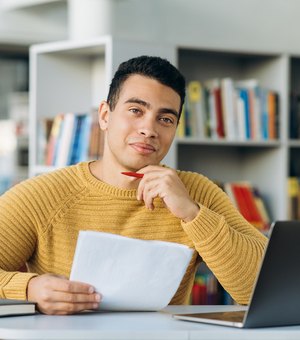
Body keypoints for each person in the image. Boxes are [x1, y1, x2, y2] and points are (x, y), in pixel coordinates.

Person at [0, 55, 267, 315]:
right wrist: (29, 289)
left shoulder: (195, 191)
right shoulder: (44, 195)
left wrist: (192, 213)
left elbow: (263, 289)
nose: (149, 129)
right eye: (135, 110)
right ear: (105, 116)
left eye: (165, 119)